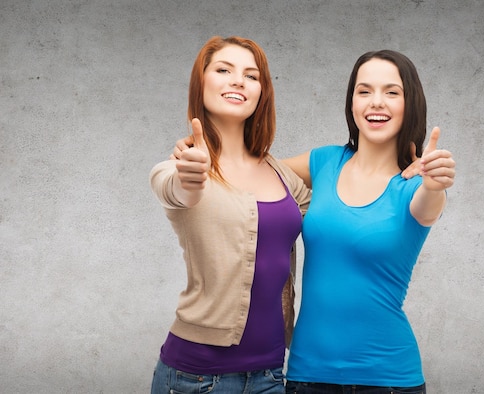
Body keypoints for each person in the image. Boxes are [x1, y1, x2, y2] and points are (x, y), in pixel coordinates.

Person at [171, 49, 455, 393]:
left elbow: (429, 207)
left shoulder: (415, 187)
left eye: (392, 92)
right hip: (305, 376)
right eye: (364, 91)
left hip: (388, 379)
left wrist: (435, 184)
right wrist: (198, 157)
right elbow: (248, 171)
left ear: (410, 105)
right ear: (351, 104)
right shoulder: (324, 162)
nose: (376, 102)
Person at [148, 36, 311, 394]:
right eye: (223, 70)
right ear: (201, 83)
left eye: (251, 76)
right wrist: (188, 176)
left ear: (262, 92)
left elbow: (331, 195)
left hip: (271, 375)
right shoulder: (180, 167)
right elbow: (175, 188)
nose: (238, 80)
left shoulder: (281, 174)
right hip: (196, 379)